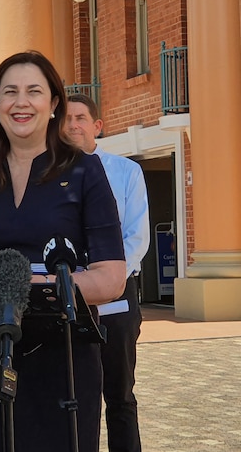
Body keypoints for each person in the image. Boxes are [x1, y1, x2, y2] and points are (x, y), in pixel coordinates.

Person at [0, 50, 127, 452]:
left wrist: (33, 286)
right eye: (9, 92)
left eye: (33, 91)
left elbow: (111, 277)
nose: (21, 102)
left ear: (54, 102)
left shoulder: (84, 171)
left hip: (63, 355)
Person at [65, 93, 149, 452]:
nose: (72, 126)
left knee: (119, 394)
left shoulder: (125, 171)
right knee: (73, 395)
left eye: (80, 118)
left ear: (97, 126)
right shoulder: (47, 175)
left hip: (117, 296)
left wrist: (108, 280)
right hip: (67, 296)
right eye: (65, 119)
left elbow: (137, 236)